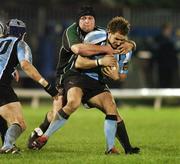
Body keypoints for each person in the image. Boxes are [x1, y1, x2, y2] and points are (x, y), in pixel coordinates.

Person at [29, 7, 139, 154]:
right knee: (68, 105)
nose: (119, 43)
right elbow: (79, 60)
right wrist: (102, 60)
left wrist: (129, 48)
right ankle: (42, 135)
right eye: (83, 18)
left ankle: (114, 148)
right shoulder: (76, 32)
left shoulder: (123, 47)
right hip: (72, 75)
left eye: (90, 18)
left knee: (111, 106)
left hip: (96, 80)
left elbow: (121, 74)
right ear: (108, 33)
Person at [0, 18, 58, 154]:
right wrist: (46, 85)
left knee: (3, 117)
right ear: (22, 34)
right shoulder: (20, 44)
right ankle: (8, 146)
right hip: (1, 86)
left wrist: (11, 69)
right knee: (19, 123)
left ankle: (7, 145)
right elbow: (26, 65)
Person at [153, 22, 179, 88]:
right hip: (162, 65)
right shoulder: (158, 39)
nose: (170, 31)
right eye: (168, 29)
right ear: (163, 30)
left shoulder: (173, 39)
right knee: (162, 82)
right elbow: (156, 49)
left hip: (172, 65)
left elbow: (176, 50)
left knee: (171, 82)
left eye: (170, 30)